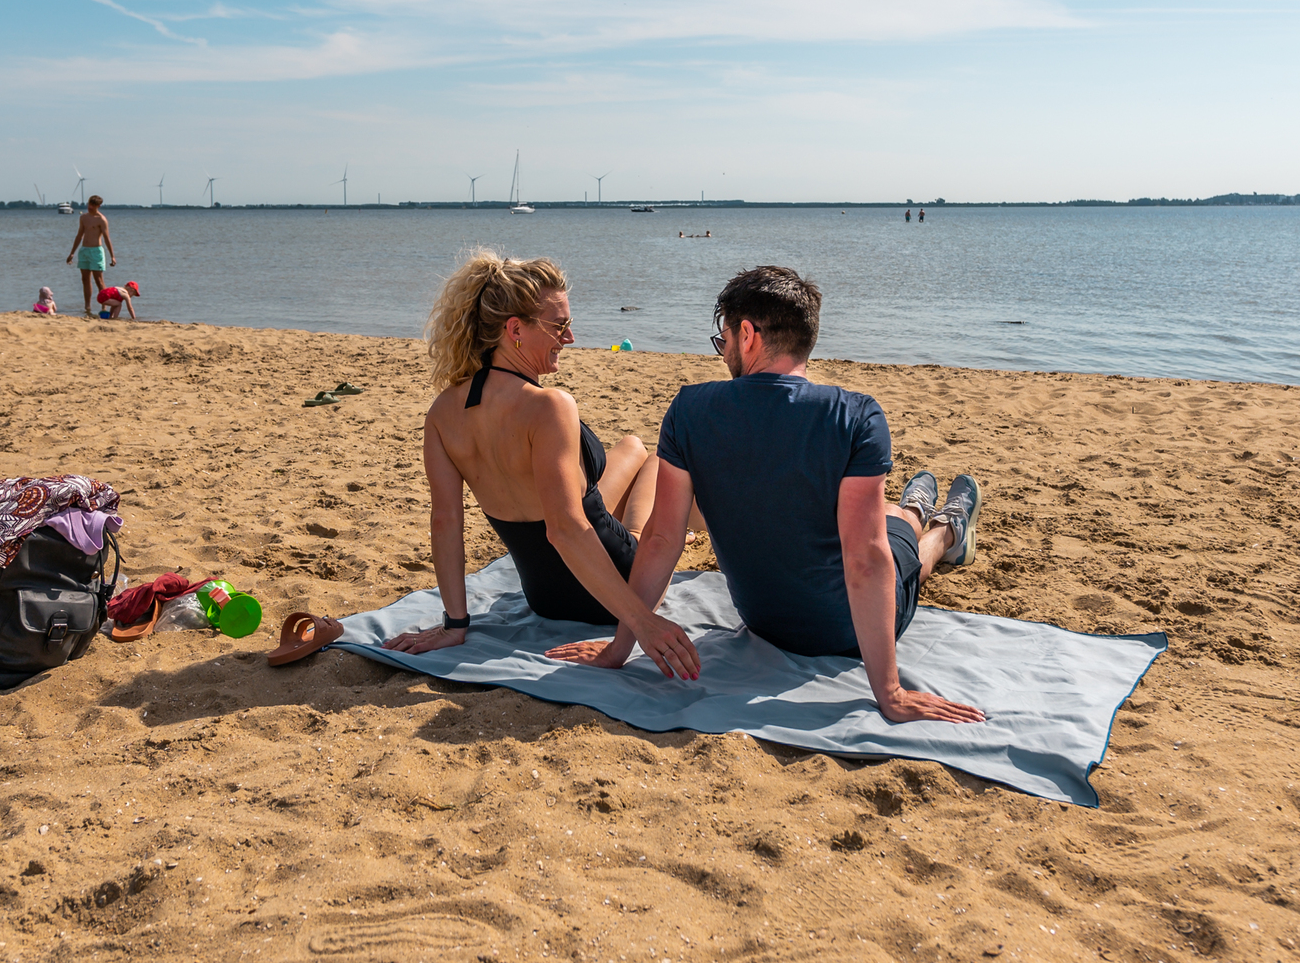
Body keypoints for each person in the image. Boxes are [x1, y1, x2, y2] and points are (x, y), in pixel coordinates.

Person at [550, 265, 986, 724]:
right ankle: (942, 528)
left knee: (892, 523)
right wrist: (889, 693)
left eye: (723, 341)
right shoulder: (856, 415)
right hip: (847, 633)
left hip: (765, 621)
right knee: (895, 527)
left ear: (747, 335)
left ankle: (929, 512)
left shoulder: (689, 410)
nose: (722, 354)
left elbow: (662, 539)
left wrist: (620, 648)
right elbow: (866, 560)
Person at [383, 251, 700, 680]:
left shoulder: (443, 412)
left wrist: (455, 625)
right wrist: (642, 622)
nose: (569, 337)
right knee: (658, 461)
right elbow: (565, 530)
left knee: (630, 446)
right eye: (559, 326)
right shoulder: (549, 406)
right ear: (515, 329)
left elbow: (445, 522)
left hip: (544, 598)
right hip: (615, 590)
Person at [65, 196, 116, 317]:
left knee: (99, 280)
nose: (90, 207)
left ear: (98, 206)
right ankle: (87, 306)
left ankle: (104, 305)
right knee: (85, 279)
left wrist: (112, 256)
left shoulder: (101, 219)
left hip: (96, 251)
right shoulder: (83, 217)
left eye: (93, 205)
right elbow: (79, 235)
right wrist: (72, 252)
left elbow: (107, 238)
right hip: (84, 251)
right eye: (89, 204)